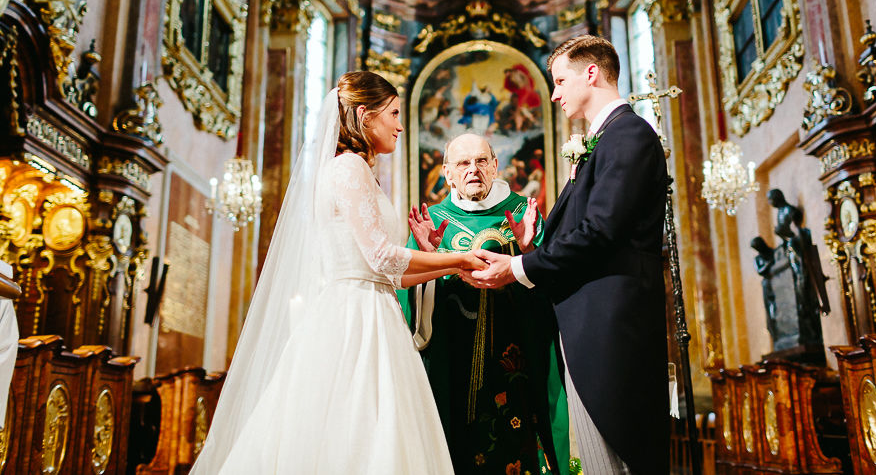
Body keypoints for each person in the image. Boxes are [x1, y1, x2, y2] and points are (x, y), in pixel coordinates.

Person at [192, 71, 484, 474]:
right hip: (354, 319)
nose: (400, 124)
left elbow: (391, 275)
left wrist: (439, 259)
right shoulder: (348, 168)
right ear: (365, 115)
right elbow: (383, 257)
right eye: (394, 113)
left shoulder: (361, 171)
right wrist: (459, 258)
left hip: (374, 306)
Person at [465, 35, 670, 474]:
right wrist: (531, 245)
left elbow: (601, 232)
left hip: (612, 325)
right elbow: (588, 230)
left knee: (619, 458)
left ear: (591, 73)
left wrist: (518, 267)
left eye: (560, 80)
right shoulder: (604, 140)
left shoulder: (629, 134)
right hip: (588, 323)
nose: (554, 93)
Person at [404, 133, 571, 475]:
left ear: (495, 166)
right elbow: (408, 299)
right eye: (463, 163)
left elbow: (556, 281)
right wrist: (428, 258)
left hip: (517, 357)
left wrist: (529, 250)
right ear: (447, 173)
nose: (473, 170)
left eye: (481, 161)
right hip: (453, 361)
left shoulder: (524, 211)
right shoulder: (433, 221)